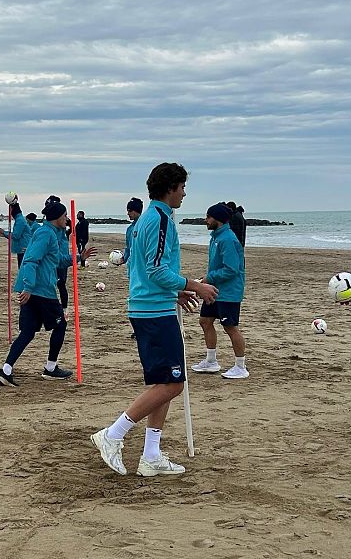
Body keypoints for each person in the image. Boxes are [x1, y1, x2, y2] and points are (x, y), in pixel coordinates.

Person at [91, 162, 218, 477]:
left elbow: (144, 269)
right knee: (173, 383)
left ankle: (151, 455)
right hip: (152, 312)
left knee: (163, 382)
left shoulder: (149, 220)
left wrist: (175, 292)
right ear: (171, 187)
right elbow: (157, 270)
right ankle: (113, 434)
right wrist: (194, 285)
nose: (185, 193)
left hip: (153, 305)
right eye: (183, 187)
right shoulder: (158, 219)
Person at [0, 201, 96, 387]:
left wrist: (79, 257)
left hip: (34, 289)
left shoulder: (50, 233)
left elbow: (57, 260)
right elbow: (31, 260)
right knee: (60, 325)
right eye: (65, 216)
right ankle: (50, 368)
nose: (66, 219)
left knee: (28, 332)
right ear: (57, 217)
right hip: (40, 290)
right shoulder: (45, 234)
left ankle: (6, 370)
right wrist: (28, 287)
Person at [192, 203, 248, 379]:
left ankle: (241, 366)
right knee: (205, 321)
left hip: (229, 292)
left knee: (230, 327)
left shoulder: (228, 239)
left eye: (208, 217)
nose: (205, 220)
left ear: (217, 219)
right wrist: (207, 278)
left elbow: (231, 269)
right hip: (215, 290)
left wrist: (209, 278)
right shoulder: (216, 238)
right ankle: (211, 361)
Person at [0, 202, 31, 268]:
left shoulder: (20, 220)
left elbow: (16, 235)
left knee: (22, 268)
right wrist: (4, 234)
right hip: (23, 248)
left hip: (23, 248)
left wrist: (4, 232)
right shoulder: (19, 219)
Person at [121, 197, 143, 266]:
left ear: (136, 211)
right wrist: (123, 259)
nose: (128, 213)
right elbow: (128, 248)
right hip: (132, 264)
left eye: (130, 211)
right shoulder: (130, 229)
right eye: (127, 211)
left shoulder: (144, 226)